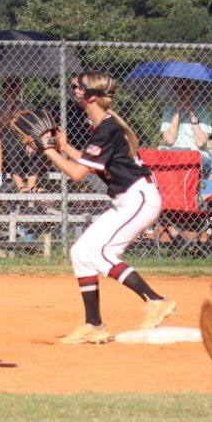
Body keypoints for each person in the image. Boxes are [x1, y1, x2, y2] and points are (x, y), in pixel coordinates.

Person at [38, 71, 178, 344]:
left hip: (139, 198)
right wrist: (64, 146)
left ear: (90, 96)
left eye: (78, 87)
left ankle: (156, 300)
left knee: (103, 253)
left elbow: (77, 174)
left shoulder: (106, 128)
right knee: (80, 252)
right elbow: (89, 166)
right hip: (126, 200)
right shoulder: (104, 125)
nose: (73, 90)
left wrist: (48, 150)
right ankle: (94, 324)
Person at [159, 78, 212, 180]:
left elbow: (201, 142)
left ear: (192, 89)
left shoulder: (202, 110)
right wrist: (177, 112)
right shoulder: (168, 110)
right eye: (176, 88)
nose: (180, 92)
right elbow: (170, 140)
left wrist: (192, 113)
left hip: (195, 153)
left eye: (184, 88)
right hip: (173, 153)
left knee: (195, 160)